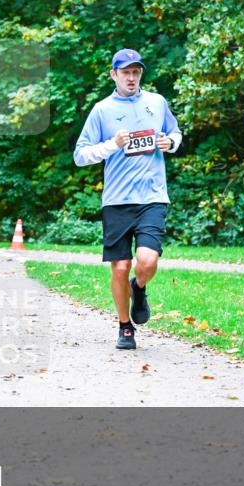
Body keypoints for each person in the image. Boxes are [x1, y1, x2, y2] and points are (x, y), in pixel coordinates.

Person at [73, 48, 182, 351]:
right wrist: (112, 145)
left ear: (140, 74)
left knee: (146, 261)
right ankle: (125, 327)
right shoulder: (102, 110)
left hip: (152, 196)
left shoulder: (157, 103)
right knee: (120, 266)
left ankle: (140, 286)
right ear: (114, 75)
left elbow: (175, 132)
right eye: (125, 72)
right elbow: (80, 155)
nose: (131, 77)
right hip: (117, 201)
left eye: (136, 72)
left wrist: (170, 142)